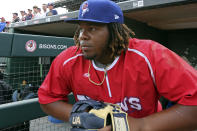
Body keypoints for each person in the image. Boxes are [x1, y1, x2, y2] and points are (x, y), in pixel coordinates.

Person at [38, 0, 197, 130]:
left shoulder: (150, 54)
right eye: (81, 29)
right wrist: (81, 115)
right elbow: (47, 99)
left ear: (114, 30)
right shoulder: (68, 59)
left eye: (92, 28)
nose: (82, 37)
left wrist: (141, 125)